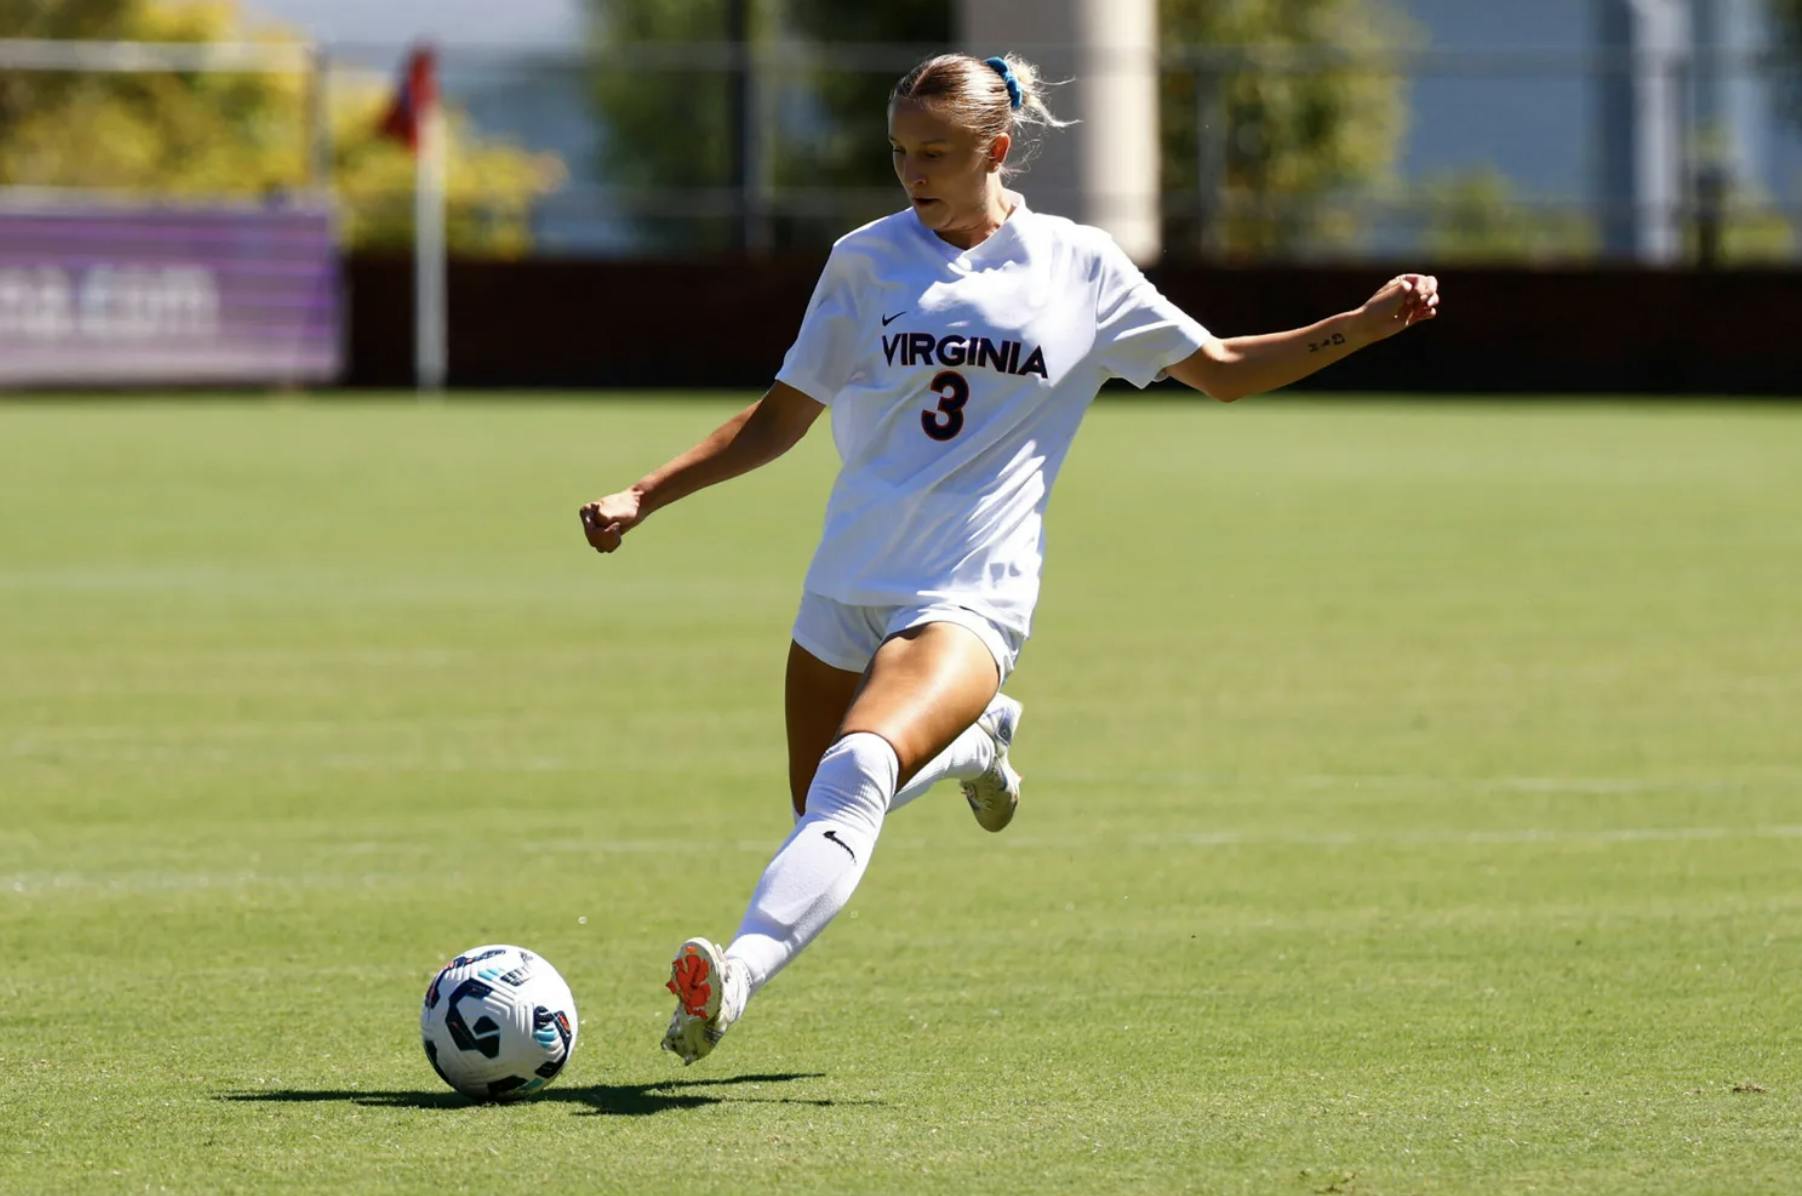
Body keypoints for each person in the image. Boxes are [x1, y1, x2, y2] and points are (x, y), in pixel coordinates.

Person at [579, 52, 1441, 1065]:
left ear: (995, 148)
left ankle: (731, 974)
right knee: (820, 801)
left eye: (935, 153)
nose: (912, 173)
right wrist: (646, 491)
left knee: (855, 775)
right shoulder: (863, 260)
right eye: (899, 151)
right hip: (842, 584)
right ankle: (976, 745)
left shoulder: (1074, 267)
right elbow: (778, 420)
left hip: (967, 594)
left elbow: (1220, 372)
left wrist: (1365, 324)